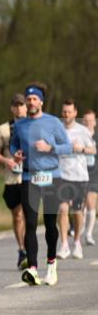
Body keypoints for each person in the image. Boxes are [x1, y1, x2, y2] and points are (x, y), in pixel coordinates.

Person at [11, 84, 72, 286]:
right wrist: (16, 154)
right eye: (28, 99)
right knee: (29, 223)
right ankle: (33, 268)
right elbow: (14, 144)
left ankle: (51, 265)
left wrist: (50, 147)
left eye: (34, 99)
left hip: (52, 177)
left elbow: (68, 147)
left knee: (49, 223)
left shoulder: (53, 122)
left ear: (41, 102)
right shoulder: (19, 125)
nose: (30, 102)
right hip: (29, 177)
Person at [0, 94, 29, 269]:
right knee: (17, 215)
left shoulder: (35, 126)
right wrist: (7, 161)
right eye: (16, 105)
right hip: (12, 178)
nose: (19, 108)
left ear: (26, 107)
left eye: (22, 105)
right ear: (12, 108)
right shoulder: (3, 129)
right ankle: (21, 248)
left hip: (30, 177)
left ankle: (29, 249)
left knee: (27, 214)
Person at [56, 100, 96, 259]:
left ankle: (77, 242)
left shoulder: (83, 131)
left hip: (79, 176)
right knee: (63, 209)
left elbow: (93, 150)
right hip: (62, 176)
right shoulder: (57, 130)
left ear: (75, 113)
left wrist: (82, 149)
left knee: (77, 211)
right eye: (64, 111)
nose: (66, 114)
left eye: (69, 111)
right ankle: (64, 244)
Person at [83, 109, 97, 246]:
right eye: (86, 121)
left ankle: (88, 233)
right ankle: (79, 228)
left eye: (91, 120)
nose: (88, 123)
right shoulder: (79, 136)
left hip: (94, 175)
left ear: (95, 122)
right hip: (79, 173)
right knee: (80, 204)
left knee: (91, 202)